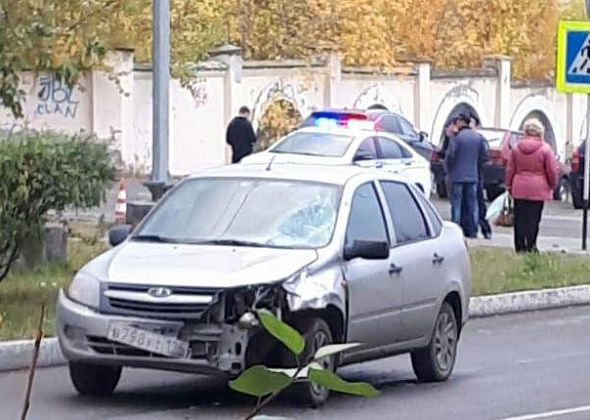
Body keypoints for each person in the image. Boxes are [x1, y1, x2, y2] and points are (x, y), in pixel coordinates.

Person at [506, 118, 559, 253]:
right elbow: (552, 170)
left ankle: (519, 246)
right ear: (540, 132)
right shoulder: (546, 149)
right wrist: (552, 184)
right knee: (533, 219)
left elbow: (510, 169)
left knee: (520, 218)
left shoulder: (517, 148)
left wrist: (509, 186)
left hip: (519, 187)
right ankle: (531, 245)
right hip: (538, 188)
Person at [445, 113, 488, 238]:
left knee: (456, 205)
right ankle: (473, 230)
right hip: (473, 176)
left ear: (460, 121)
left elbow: (450, 155)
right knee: (472, 204)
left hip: (457, 176)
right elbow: (484, 156)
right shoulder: (478, 137)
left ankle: (455, 231)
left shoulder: (456, 138)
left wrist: (449, 169)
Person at [470, 114, 492, 239]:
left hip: (477, 175)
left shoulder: (480, 140)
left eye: (471, 123)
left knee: (479, 203)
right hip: (471, 175)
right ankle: (472, 229)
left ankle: (485, 229)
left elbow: (485, 157)